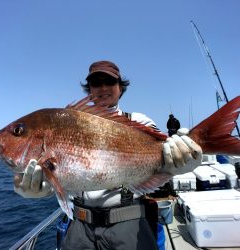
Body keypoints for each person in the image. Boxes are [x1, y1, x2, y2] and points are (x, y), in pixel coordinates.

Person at [14, 60, 202, 250]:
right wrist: (37, 187)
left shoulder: (138, 121)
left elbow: (164, 158)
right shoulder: (70, 119)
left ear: (120, 88)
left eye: (110, 82)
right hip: (80, 226)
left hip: (128, 226)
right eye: (96, 83)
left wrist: (180, 162)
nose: (103, 87)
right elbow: (58, 178)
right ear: (89, 89)